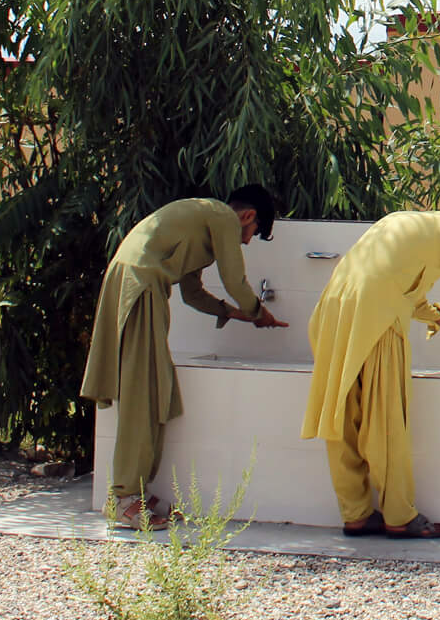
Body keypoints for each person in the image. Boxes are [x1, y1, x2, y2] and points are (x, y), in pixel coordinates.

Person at [80, 185, 288, 528]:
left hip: (137, 284)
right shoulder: (222, 216)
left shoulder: (200, 223)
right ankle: (124, 499)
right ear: (247, 216)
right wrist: (258, 312)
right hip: (140, 287)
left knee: (152, 392)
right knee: (141, 397)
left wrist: (236, 314)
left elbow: (192, 294)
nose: (246, 242)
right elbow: (235, 280)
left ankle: (135, 493)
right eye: (250, 234)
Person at [300, 192, 440, 539]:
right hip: (377, 322)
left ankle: (357, 514)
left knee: (342, 421)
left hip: (331, 314)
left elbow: (410, 297)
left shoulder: (400, 222)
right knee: (386, 423)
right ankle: (398, 515)